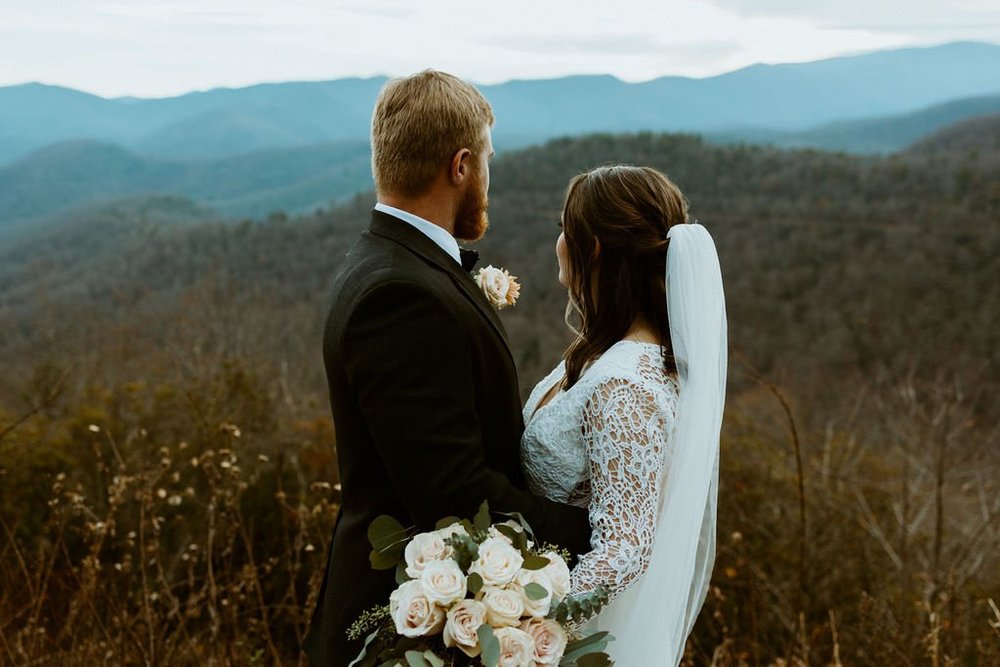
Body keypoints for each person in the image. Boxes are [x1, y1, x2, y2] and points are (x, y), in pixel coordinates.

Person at [301, 70, 592, 665]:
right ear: (460, 166)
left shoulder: (390, 262)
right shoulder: (400, 296)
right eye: (486, 158)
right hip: (401, 634)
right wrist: (593, 534)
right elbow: (455, 493)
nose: (488, 175)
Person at [521, 165, 728, 665]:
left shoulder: (624, 385)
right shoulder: (609, 354)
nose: (558, 241)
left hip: (570, 642)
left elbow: (624, 550)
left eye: (562, 228)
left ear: (590, 247)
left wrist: (519, 621)